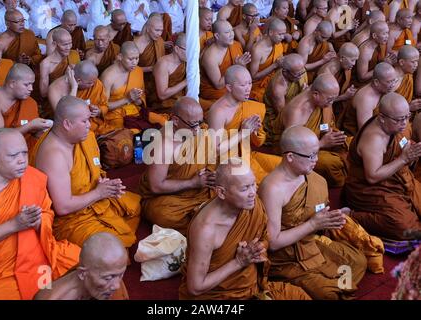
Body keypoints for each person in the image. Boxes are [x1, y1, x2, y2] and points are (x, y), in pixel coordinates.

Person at [259, 126, 375, 299]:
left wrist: (330, 220)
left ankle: (332, 282)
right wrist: (313, 224)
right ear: (290, 156)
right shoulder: (273, 188)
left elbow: (316, 213)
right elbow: (273, 242)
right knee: (330, 294)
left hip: (309, 243)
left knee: (358, 261)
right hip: (285, 258)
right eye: (311, 156)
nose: (316, 160)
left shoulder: (315, 178)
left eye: (317, 153)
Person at [179, 158, 311, 300]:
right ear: (221, 192)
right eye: (245, 188)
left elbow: (265, 237)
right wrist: (239, 262)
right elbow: (195, 288)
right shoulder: (206, 230)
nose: (253, 192)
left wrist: (258, 247)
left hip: (252, 286)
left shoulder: (250, 204)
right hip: (218, 296)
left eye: (253, 184)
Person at [0, 128, 80, 300]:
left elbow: (47, 213)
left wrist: (38, 221)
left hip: (36, 255)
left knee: (86, 266)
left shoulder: (32, 177)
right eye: (13, 156)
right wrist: (14, 225)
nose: (22, 161)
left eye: (24, 153)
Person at [31, 96, 141, 248]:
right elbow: (62, 207)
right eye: (84, 121)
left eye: (89, 120)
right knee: (111, 248)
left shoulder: (84, 137)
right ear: (67, 124)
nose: (89, 126)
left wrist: (104, 184)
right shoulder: (54, 155)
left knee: (134, 206)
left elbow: (95, 169)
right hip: (71, 219)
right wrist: (98, 193)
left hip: (92, 199)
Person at [344, 92, 421, 240]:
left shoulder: (398, 127)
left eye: (407, 117)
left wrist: (410, 154)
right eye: (399, 119)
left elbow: (402, 146)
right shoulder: (374, 139)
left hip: (400, 178)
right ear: (382, 118)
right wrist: (404, 159)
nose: (404, 123)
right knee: (407, 228)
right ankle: (352, 215)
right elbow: (372, 177)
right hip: (369, 189)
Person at [139, 97, 217, 235]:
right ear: (175, 120)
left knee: (233, 186)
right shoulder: (163, 145)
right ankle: (200, 226)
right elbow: (156, 186)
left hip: (201, 188)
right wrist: (193, 183)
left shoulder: (198, 132)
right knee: (161, 214)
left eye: (200, 122)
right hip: (172, 196)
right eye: (193, 125)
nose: (198, 129)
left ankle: (202, 215)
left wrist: (210, 173)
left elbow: (212, 155)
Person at [270, 73, 348, 187]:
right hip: (301, 153)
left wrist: (331, 134)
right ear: (315, 94)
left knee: (350, 143)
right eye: (330, 100)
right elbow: (290, 148)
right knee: (331, 163)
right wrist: (322, 143)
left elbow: (325, 124)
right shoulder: (297, 111)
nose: (331, 104)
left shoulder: (320, 100)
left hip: (316, 141)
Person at [208, 65, 282, 184]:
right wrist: (243, 133)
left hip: (246, 155)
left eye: (249, 83)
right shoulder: (218, 112)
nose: (248, 89)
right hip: (227, 163)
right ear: (229, 87)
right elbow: (215, 150)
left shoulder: (248, 105)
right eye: (243, 85)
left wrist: (255, 131)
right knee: (271, 183)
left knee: (285, 167)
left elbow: (259, 142)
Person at [34, 232, 129, 300]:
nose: (116, 285)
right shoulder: (54, 297)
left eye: (121, 274)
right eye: (108, 278)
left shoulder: (109, 273)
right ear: (82, 273)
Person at [0, 63, 52, 151]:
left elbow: (34, 134)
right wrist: (30, 125)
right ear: (12, 83)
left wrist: (40, 129)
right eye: (26, 85)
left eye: (32, 84)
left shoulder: (30, 102)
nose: (31, 89)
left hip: (27, 148)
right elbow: (0, 139)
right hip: (4, 152)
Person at [199, 20, 250, 113]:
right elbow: (218, 85)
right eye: (227, 32)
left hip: (234, 88)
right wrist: (236, 65)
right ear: (217, 36)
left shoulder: (235, 45)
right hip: (217, 94)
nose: (231, 35)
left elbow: (242, 72)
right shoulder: (210, 56)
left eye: (232, 31)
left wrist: (241, 65)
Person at [48, 61, 109, 136]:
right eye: (90, 83)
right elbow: (66, 117)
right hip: (70, 131)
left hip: (94, 126)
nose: (93, 85)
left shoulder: (94, 82)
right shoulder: (55, 89)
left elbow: (105, 105)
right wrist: (74, 88)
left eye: (94, 82)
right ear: (79, 81)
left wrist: (99, 111)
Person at [341, 62, 398, 136]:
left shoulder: (382, 89)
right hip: (358, 140)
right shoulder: (366, 99)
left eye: (394, 80)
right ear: (376, 82)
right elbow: (366, 131)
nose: (393, 85)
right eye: (389, 82)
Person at [263, 53, 308, 141]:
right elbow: (283, 115)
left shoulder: (299, 71)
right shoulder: (278, 88)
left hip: (297, 105)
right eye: (297, 74)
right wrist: (302, 97)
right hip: (280, 116)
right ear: (285, 72)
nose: (301, 76)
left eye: (302, 72)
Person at [317, 42, 359, 122]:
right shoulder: (326, 73)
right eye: (352, 60)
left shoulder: (345, 67)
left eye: (356, 60)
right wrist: (343, 97)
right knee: (325, 128)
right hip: (322, 109)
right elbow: (322, 101)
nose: (354, 64)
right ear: (342, 58)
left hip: (335, 105)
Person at [248, 18, 286, 102]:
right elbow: (253, 77)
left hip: (275, 78)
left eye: (284, 34)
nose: (282, 37)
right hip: (259, 86)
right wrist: (274, 65)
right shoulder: (257, 50)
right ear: (271, 32)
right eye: (280, 34)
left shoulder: (278, 44)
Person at [150, 33, 187, 114]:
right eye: (188, 49)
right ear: (177, 49)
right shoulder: (163, 64)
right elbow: (162, 95)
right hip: (162, 107)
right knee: (169, 125)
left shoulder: (186, 62)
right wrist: (185, 82)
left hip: (180, 103)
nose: (191, 53)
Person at [134, 14, 165, 107]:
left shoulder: (159, 41)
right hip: (141, 82)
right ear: (147, 28)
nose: (159, 34)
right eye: (157, 30)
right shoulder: (136, 44)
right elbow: (129, 69)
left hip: (157, 80)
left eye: (161, 31)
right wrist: (150, 68)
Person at [39, 28, 80, 100]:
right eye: (64, 45)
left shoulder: (73, 55)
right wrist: (66, 77)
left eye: (70, 43)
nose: (68, 47)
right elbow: (44, 93)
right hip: (56, 99)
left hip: (74, 92)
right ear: (54, 44)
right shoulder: (46, 64)